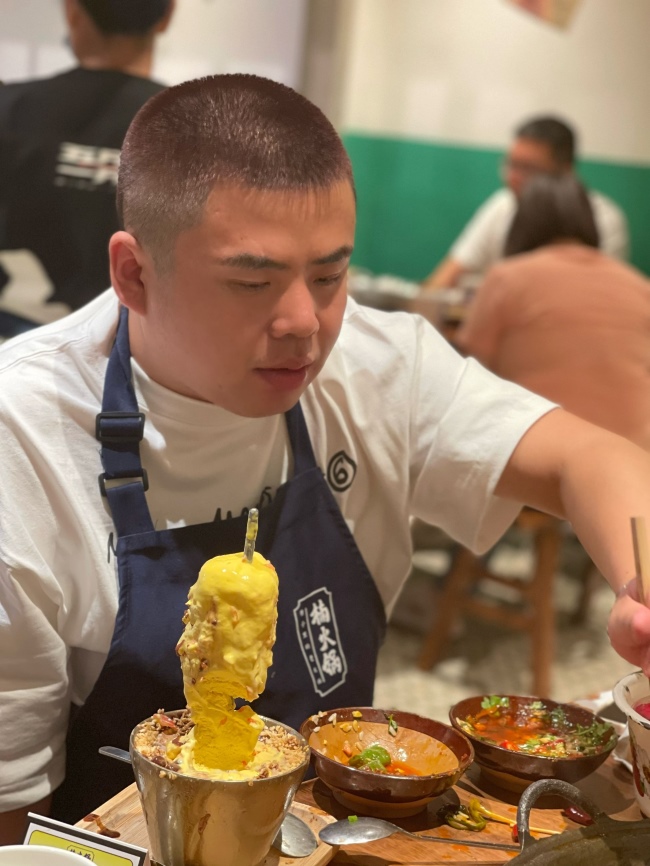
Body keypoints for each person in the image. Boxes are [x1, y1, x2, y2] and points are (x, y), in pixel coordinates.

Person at [1, 74, 650, 843]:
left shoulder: (380, 365)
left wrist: (639, 584)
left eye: (330, 276)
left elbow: (586, 457)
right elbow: (13, 811)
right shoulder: (27, 433)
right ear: (134, 274)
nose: (304, 324)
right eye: (253, 281)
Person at [0, 0, 173, 336]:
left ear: (72, 12)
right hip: (140, 349)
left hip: (16, 346)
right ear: (167, 16)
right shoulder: (196, 128)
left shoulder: (9, 111)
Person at [456, 174, 650, 450]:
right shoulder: (640, 287)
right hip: (634, 454)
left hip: (541, 449)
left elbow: (473, 370)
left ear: (522, 224)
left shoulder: (506, 278)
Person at [422, 115, 629, 290]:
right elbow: (444, 279)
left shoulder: (602, 220)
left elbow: (586, 298)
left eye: (528, 168)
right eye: (511, 164)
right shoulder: (503, 205)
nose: (512, 177)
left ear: (565, 171)